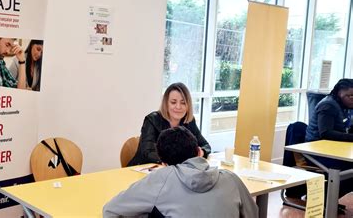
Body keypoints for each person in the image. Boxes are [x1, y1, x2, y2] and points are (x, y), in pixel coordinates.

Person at [103, 126, 258, 217]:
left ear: (163, 163)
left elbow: (111, 209)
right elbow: (253, 213)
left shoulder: (162, 178)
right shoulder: (231, 179)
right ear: (198, 151)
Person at [128, 82, 211, 166]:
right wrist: (176, 161)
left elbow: (206, 146)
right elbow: (148, 153)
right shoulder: (152, 120)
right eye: (173, 102)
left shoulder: (189, 121)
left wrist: (201, 152)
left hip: (174, 170)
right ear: (166, 104)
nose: (178, 107)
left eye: (183, 103)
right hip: (143, 169)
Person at [305, 78, 353, 198]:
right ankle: (327, 199)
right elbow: (326, 133)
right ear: (339, 92)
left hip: (334, 149)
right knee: (348, 169)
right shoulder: (328, 105)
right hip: (316, 151)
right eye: (350, 96)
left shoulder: (344, 105)